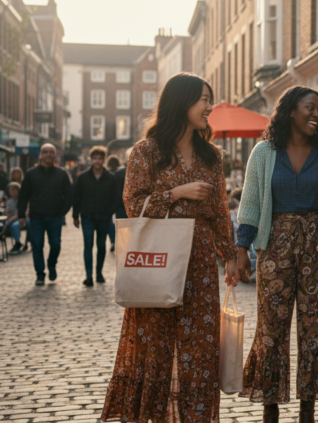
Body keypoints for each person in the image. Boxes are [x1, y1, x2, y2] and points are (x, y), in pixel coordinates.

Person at [101, 73, 241, 423]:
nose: (209, 107)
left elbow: (220, 211)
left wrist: (231, 255)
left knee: (201, 349)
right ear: (182, 102)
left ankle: (195, 418)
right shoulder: (147, 151)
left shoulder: (212, 156)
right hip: (158, 260)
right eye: (203, 100)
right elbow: (134, 205)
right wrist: (177, 193)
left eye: (210, 99)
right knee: (156, 349)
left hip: (200, 263)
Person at [234, 86, 318, 423]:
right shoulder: (264, 152)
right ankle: (270, 407)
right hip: (275, 247)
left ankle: (307, 410)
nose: (316, 114)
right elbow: (251, 204)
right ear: (290, 111)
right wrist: (242, 249)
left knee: (317, 328)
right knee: (271, 327)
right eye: (309, 107)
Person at [17, 143, 72, 286]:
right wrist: (21, 214)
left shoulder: (61, 174)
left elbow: (69, 195)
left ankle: (51, 264)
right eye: (45, 152)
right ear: (40, 155)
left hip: (55, 216)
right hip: (36, 216)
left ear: (55, 155)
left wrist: (63, 211)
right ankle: (40, 274)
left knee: (56, 245)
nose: (48, 154)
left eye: (51, 152)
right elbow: (23, 195)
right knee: (37, 245)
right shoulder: (31, 174)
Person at [72, 146, 120, 286]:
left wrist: (110, 211)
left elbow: (116, 198)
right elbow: (77, 197)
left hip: (104, 217)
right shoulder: (83, 177)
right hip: (87, 216)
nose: (97, 161)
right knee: (88, 245)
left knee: (101, 246)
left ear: (104, 160)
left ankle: (99, 273)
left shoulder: (111, 178)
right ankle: (89, 276)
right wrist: (75, 215)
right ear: (91, 160)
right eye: (95, 158)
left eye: (100, 158)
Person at [106, 154, 122, 250]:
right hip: (121, 203)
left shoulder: (109, 174)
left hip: (110, 202)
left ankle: (113, 241)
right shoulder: (122, 172)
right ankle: (120, 241)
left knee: (110, 224)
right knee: (120, 223)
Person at [5, 182, 24, 253]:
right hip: (12, 218)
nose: (12, 192)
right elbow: (8, 213)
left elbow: (23, 212)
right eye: (10, 190)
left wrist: (12, 218)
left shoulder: (23, 200)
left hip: (22, 218)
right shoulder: (9, 201)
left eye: (14, 189)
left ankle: (17, 242)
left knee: (14, 225)